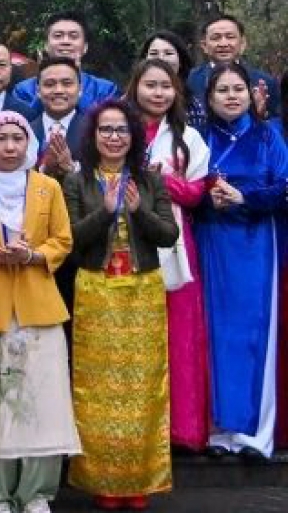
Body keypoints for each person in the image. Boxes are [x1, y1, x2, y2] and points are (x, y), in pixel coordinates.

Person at [0, 112, 79, 513]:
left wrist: (33, 254)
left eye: (17, 139)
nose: (9, 147)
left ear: (29, 144)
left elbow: (63, 239)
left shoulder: (47, 189)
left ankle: (37, 494)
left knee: (42, 404)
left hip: (38, 306)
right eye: (1, 139)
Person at [64, 99, 178, 509]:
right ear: (93, 137)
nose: (113, 137)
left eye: (121, 130)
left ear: (134, 137)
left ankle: (140, 482)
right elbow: (70, 241)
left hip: (142, 292)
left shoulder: (149, 181)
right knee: (96, 391)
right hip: (96, 292)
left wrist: (136, 210)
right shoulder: (77, 182)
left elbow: (168, 235)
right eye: (106, 130)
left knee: (144, 389)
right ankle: (101, 482)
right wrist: (107, 212)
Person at [196, 62, 288, 460]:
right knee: (214, 332)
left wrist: (245, 197)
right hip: (212, 241)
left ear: (252, 94)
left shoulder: (270, 136)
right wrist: (206, 198)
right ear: (209, 97)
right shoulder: (197, 138)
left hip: (255, 243)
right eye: (222, 90)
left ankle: (255, 435)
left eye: (239, 89)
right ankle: (218, 431)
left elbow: (284, 188)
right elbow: (181, 188)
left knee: (255, 333)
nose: (232, 96)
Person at [125, 58, 212, 453]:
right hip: (124, 241)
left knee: (178, 338)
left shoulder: (188, 137)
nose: (158, 93)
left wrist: (162, 181)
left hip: (174, 242)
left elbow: (197, 193)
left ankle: (181, 430)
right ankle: (135, 428)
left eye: (166, 86)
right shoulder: (118, 131)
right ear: (134, 88)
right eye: (150, 85)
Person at [8, 13, 119, 115]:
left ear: (85, 47)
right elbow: (23, 124)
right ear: (46, 45)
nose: (65, 41)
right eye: (58, 36)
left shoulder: (105, 89)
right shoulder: (23, 90)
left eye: (73, 36)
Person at [189, 14, 278, 122]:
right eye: (216, 38)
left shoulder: (265, 82)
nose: (223, 43)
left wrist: (260, 116)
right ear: (204, 46)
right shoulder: (189, 80)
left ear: (242, 43)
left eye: (230, 37)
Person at [28, 58, 88, 182]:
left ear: (80, 89)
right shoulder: (25, 130)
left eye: (67, 83)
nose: (59, 90)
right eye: (49, 84)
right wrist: (44, 169)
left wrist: (72, 168)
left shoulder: (94, 130)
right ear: (38, 91)